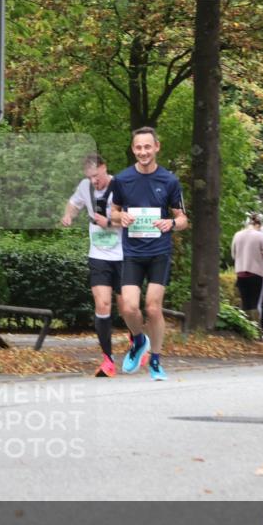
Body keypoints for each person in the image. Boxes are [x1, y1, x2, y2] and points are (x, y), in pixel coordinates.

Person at [109, 127, 189, 381]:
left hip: (159, 252)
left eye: (147, 147)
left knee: (153, 308)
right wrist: (120, 216)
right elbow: (112, 212)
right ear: (133, 149)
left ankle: (155, 360)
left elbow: (183, 218)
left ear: (156, 147)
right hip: (132, 252)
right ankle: (139, 340)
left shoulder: (169, 181)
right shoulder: (122, 179)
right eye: (138, 147)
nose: (143, 152)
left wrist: (171, 224)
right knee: (129, 307)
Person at [61, 153, 124, 377]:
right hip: (98, 255)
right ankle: (108, 359)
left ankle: (138, 341)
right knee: (102, 303)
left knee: (127, 308)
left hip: (123, 254)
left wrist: (109, 221)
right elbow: (73, 203)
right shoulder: (85, 187)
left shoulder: (120, 186)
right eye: (90, 177)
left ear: (105, 168)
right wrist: (68, 215)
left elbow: (130, 216)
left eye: (97, 176)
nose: (94, 181)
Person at [231, 214, 263, 340]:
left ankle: (245, 332)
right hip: (256, 273)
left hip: (240, 272)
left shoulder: (237, 235)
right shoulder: (260, 235)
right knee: (256, 304)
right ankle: (257, 334)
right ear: (259, 224)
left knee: (245, 303)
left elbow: (234, 255)